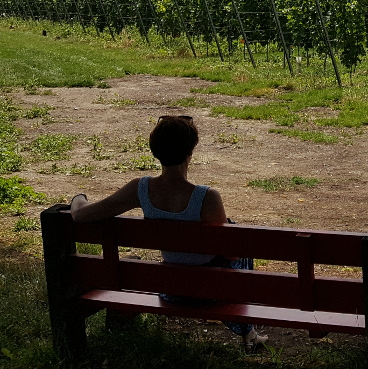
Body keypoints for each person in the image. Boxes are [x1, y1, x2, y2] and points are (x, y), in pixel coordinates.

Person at [69, 114, 267, 352]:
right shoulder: (207, 197)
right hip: (212, 292)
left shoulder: (140, 189)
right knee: (237, 242)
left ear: (155, 151)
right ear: (191, 150)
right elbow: (233, 256)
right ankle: (249, 335)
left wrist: (78, 198)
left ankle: (250, 334)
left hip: (172, 290)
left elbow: (81, 215)